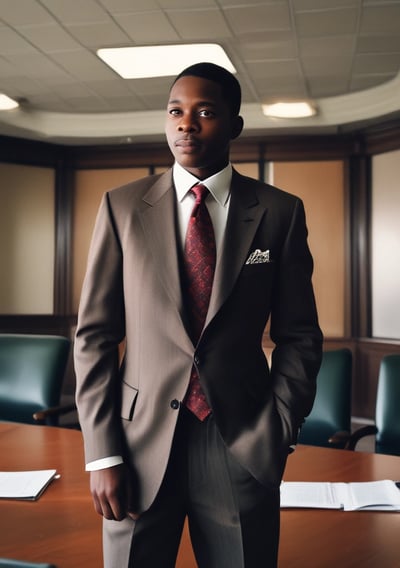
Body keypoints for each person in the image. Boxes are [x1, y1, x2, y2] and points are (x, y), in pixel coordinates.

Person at [74, 62, 323, 568]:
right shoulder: (121, 208)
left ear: (234, 125)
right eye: (175, 112)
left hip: (241, 441)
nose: (186, 123)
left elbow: (299, 335)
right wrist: (101, 452)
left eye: (205, 112)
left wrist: (279, 427)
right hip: (136, 445)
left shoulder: (280, 212)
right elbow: (94, 336)